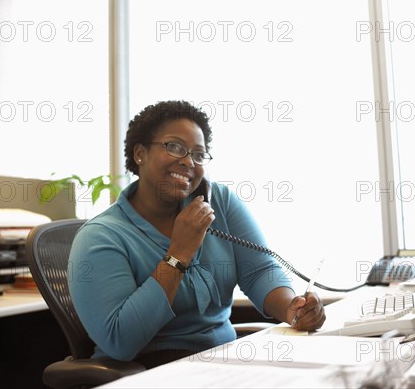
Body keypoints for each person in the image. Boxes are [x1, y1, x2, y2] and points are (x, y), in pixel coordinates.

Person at [68, 100, 325, 367]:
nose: (188, 162)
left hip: (224, 363)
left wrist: (291, 308)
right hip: (151, 372)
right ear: (140, 153)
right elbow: (121, 341)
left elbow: (259, 271)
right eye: (175, 147)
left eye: (198, 154)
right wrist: (179, 253)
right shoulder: (101, 237)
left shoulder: (218, 202)